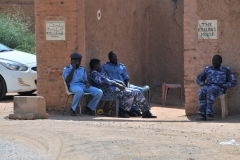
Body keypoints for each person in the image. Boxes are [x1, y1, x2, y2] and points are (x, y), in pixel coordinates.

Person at [89, 59, 157, 118]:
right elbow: (106, 81)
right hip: (110, 91)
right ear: (95, 65)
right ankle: (123, 110)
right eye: (99, 65)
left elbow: (110, 79)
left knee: (137, 91)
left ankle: (146, 112)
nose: (100, 66)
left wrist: (119, 82)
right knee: (131, 93)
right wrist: (117, 84)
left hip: (115, 89)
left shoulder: (100, 73)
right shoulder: (94, 73)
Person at [101, 51, 148, 115]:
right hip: (115, 86)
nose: (115, 58)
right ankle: (128, 110)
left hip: (124, 84)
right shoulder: (105, 66)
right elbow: (103, 77)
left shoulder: (121, 66)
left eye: (116, 57)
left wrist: (127, 86)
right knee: (131, 92)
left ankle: (136, 109)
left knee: (140, 90)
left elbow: (126, 78)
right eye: (113, 57)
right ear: (109, 58)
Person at [196, 55, 237, 120]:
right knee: (202, 91)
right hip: (208, 86)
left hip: (219, 88)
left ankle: (210, 114)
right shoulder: (208, 69)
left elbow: (233, 82)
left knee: (211, 91)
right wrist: (202, 84)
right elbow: (198, 78)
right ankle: (202, 114)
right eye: (213, 60)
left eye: (216, 60)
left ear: (221, 62)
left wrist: (224, 85)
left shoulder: (225, 70)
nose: (214, 62)